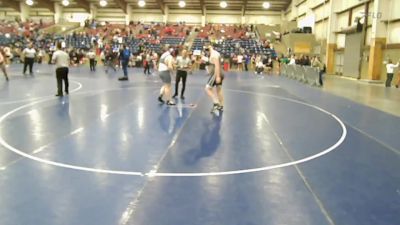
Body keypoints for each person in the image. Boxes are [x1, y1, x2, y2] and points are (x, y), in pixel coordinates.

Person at [205, 44, 224, 113]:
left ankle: (216, 103)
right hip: (220, 73)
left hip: (216, 74)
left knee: (207, 88)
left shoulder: (213, 55)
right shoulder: (216, 53)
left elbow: (217, 66)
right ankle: (221, 106)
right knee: (219, 89)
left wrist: (218, 76)